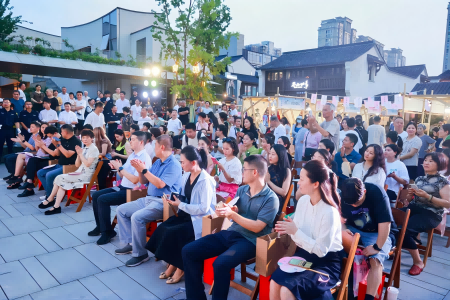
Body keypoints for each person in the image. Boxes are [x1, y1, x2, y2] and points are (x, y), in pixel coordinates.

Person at [182, 155, 278, 300]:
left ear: (255, 172)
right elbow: (236, 210)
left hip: (250, 241)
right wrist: (228, 209)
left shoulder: (271, 198)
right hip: (231, 232)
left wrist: (232, 214)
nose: (241, 173)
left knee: (221, 264)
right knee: (188, 251)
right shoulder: (242, 190)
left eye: (244, 169)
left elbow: (258, 227)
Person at [271, 160, 342, 300]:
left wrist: (295, 231)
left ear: (315, 184)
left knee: (287, 290)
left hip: (326, 263)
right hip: (306, 255)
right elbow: (297, 230)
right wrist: (285, 229)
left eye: (302, 179)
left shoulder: (330, 212)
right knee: (274, 281)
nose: (298, 182)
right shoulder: (303, 201)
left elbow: (321, 250)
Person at [146, 145, 216, 283]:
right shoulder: (186, 176)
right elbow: (183, 196)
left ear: (193, 162)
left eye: (183, 162)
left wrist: (181, 204)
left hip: (201, 220)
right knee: (164, 228)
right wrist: (172, 199)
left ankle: (179, 268)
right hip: (187, 215)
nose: (181, 164)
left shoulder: (206, 181)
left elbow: (203, 208)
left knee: (177, 233)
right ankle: (173, 264)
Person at [113, 135, 182, 265]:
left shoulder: (174, 164)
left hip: (164, 203)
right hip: (148, 199)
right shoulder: (157, 162)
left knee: (136, 217)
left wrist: (144, 170)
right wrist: (140, 171)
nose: (153, 148)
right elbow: (144, 180)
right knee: (121, 210)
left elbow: (160, 184)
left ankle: (141, 254)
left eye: (155, 146)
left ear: (161, 147)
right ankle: (131, 243)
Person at [89, 131, 153, 245]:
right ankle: (101, 227)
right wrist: (117, 167)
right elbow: (123, 175)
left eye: (133, 139)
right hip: (123, 187)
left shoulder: (144, 158)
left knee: (102, 199)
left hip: (133, 192)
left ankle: (107, 232)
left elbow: (135, 180)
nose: (130, 142)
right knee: (96, 195)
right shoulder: (132, 155)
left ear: (141, 142)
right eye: (130, 139)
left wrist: (121, 168)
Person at [341, 178, 393, 300]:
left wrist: (377, 247)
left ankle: (369, 298)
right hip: (352, 228)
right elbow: (340, 216)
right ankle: (342, 291)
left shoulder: (377, 192)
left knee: (375, 260)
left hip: (377, 232)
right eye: (351, 204)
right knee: (336, 249)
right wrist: (343, 228)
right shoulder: (343, 195)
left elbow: (385, 224)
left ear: (364, 191)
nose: (353, 205)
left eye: (357, 203)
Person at [401, 153, 450, 275]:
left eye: (431, 161)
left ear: (439, 165)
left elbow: (448, 204)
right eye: (425, 160)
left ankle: (418, 262)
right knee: (389, 221)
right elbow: (409, 199)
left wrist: (428, 196)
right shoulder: (419, 179)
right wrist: (410, 193)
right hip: (415, 208)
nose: (426, 163)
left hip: (431, 214)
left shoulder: (443, 181)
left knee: (405, 229)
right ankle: (396, 247)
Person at [38, 129, 99, 215]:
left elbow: (88, 164)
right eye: (83, 138)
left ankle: (51, 200)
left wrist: (80, 154)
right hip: (79, 172)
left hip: (86, 175)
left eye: (87, 138)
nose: (85, 139)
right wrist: (78, 154)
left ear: (92, 138)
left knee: (60, 178)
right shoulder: (84, 148)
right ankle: (56, 205)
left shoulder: (94, 149)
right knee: (60, 180)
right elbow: (77, 165)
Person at [37, 124, 82, 201]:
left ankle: (50, 197)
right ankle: (50, 193)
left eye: (61, 132)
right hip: (59, 164)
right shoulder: (62, 140)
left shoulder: (76, 141)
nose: (60, 133)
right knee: (40, 173)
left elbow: (67, 155)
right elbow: (57, 154)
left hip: (69, 167)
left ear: (65, 132)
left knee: (49, 175)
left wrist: (58, 145)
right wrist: (56, 145)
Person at [18, 125, 60, 197]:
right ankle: (29, 183)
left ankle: (30, 187)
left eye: (50, 136)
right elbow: (46, 152)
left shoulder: (58, 140)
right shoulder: (54, 139)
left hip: (54, 162)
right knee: (32, 161)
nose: (50, 138)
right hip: (49, 159)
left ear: (55, 133)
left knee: (33, 164)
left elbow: (53, 154)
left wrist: (42, 146)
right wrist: (40, 144)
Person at [4, 121, 41, 189]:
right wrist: (20, 141)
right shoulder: (32, 135)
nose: (30, 128)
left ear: (38, 128)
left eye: (33, 127)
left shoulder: (38, 136)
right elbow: (25, 147)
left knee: (10, 159)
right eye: (30, 127)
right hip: (25, 152)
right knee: (6, 157)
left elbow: (33, 148)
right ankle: (14, 175)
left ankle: (16, 177)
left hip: (30, 154)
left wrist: (23, 141)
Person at [267, 144, 292, 215]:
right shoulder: (268, 168)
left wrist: (268, 181)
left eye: (273, 154)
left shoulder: (286, 170)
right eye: (269, 154)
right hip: (267, 198)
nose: (270, 156)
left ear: (280, 155)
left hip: (277, 201)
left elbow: (284, 192)